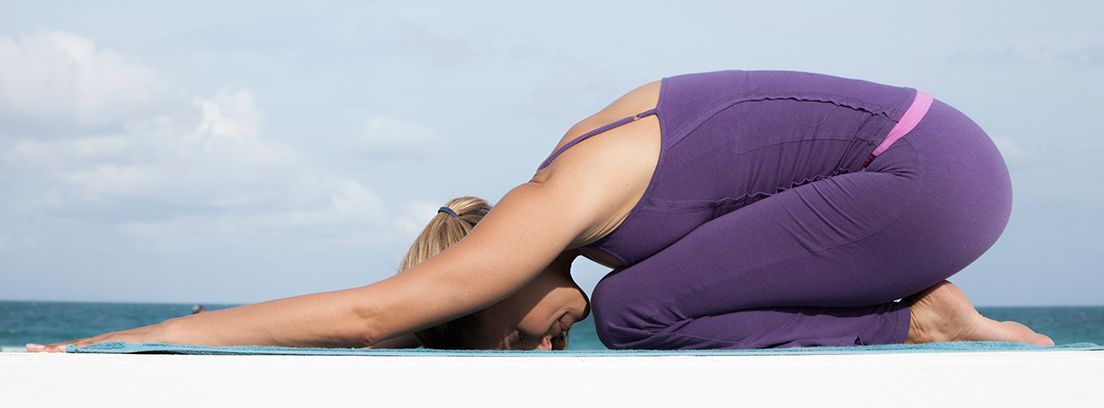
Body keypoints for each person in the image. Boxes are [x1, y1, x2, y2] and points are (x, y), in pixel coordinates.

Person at [27, 70, 1054, 352]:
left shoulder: (553, 200)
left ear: (478, 279)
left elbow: (369, 316)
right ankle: (916, 306)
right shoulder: (590, 184)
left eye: (518, 345)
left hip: (923, 174)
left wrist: (152, 337)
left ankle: (920, 318)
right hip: (933, 162)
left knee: (642, 316)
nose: (551, 352)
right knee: (651, 302)